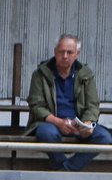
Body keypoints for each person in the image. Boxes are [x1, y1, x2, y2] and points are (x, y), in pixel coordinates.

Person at [27, 34, 112, 172]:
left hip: (78, 124)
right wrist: (58, 122)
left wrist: (88, 123)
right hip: (52, 123)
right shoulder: (40, 74)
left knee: (104, 137)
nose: (65, 56)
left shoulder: (86, 75)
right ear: (55, 52)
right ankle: (67, 171)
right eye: (61, 52)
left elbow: (93, 105)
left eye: (69, 52)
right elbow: (36, 106)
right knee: (46, 133)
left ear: (77, 54)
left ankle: (65, 170)